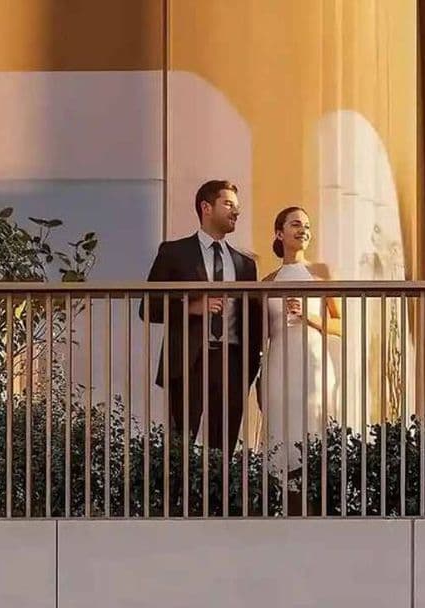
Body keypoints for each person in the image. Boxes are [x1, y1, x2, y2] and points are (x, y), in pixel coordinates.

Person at [140, 180, 265, 460]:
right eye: (229, 204)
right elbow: (148, 307)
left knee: (224, 447)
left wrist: (249, 366)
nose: (236, 212)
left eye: (238, 207)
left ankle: (219, 501)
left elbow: (253, 320)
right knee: (179, 446)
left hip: (233, 362)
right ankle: (175, 502)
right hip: (188, 361)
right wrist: (191, 306)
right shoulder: (174, 253)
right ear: (206, 207)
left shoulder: (246, 264)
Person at [259, 206, 341, 476]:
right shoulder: (268, 281)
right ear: (279, 233)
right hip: (279, 363)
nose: (303, 230)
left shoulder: (320, 274)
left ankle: (318, 494)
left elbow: (341, 325)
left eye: (306, 226)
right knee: (280, 426)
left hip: (312, 361)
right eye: (295, 224)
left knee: (314, 424)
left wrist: (308, 316)